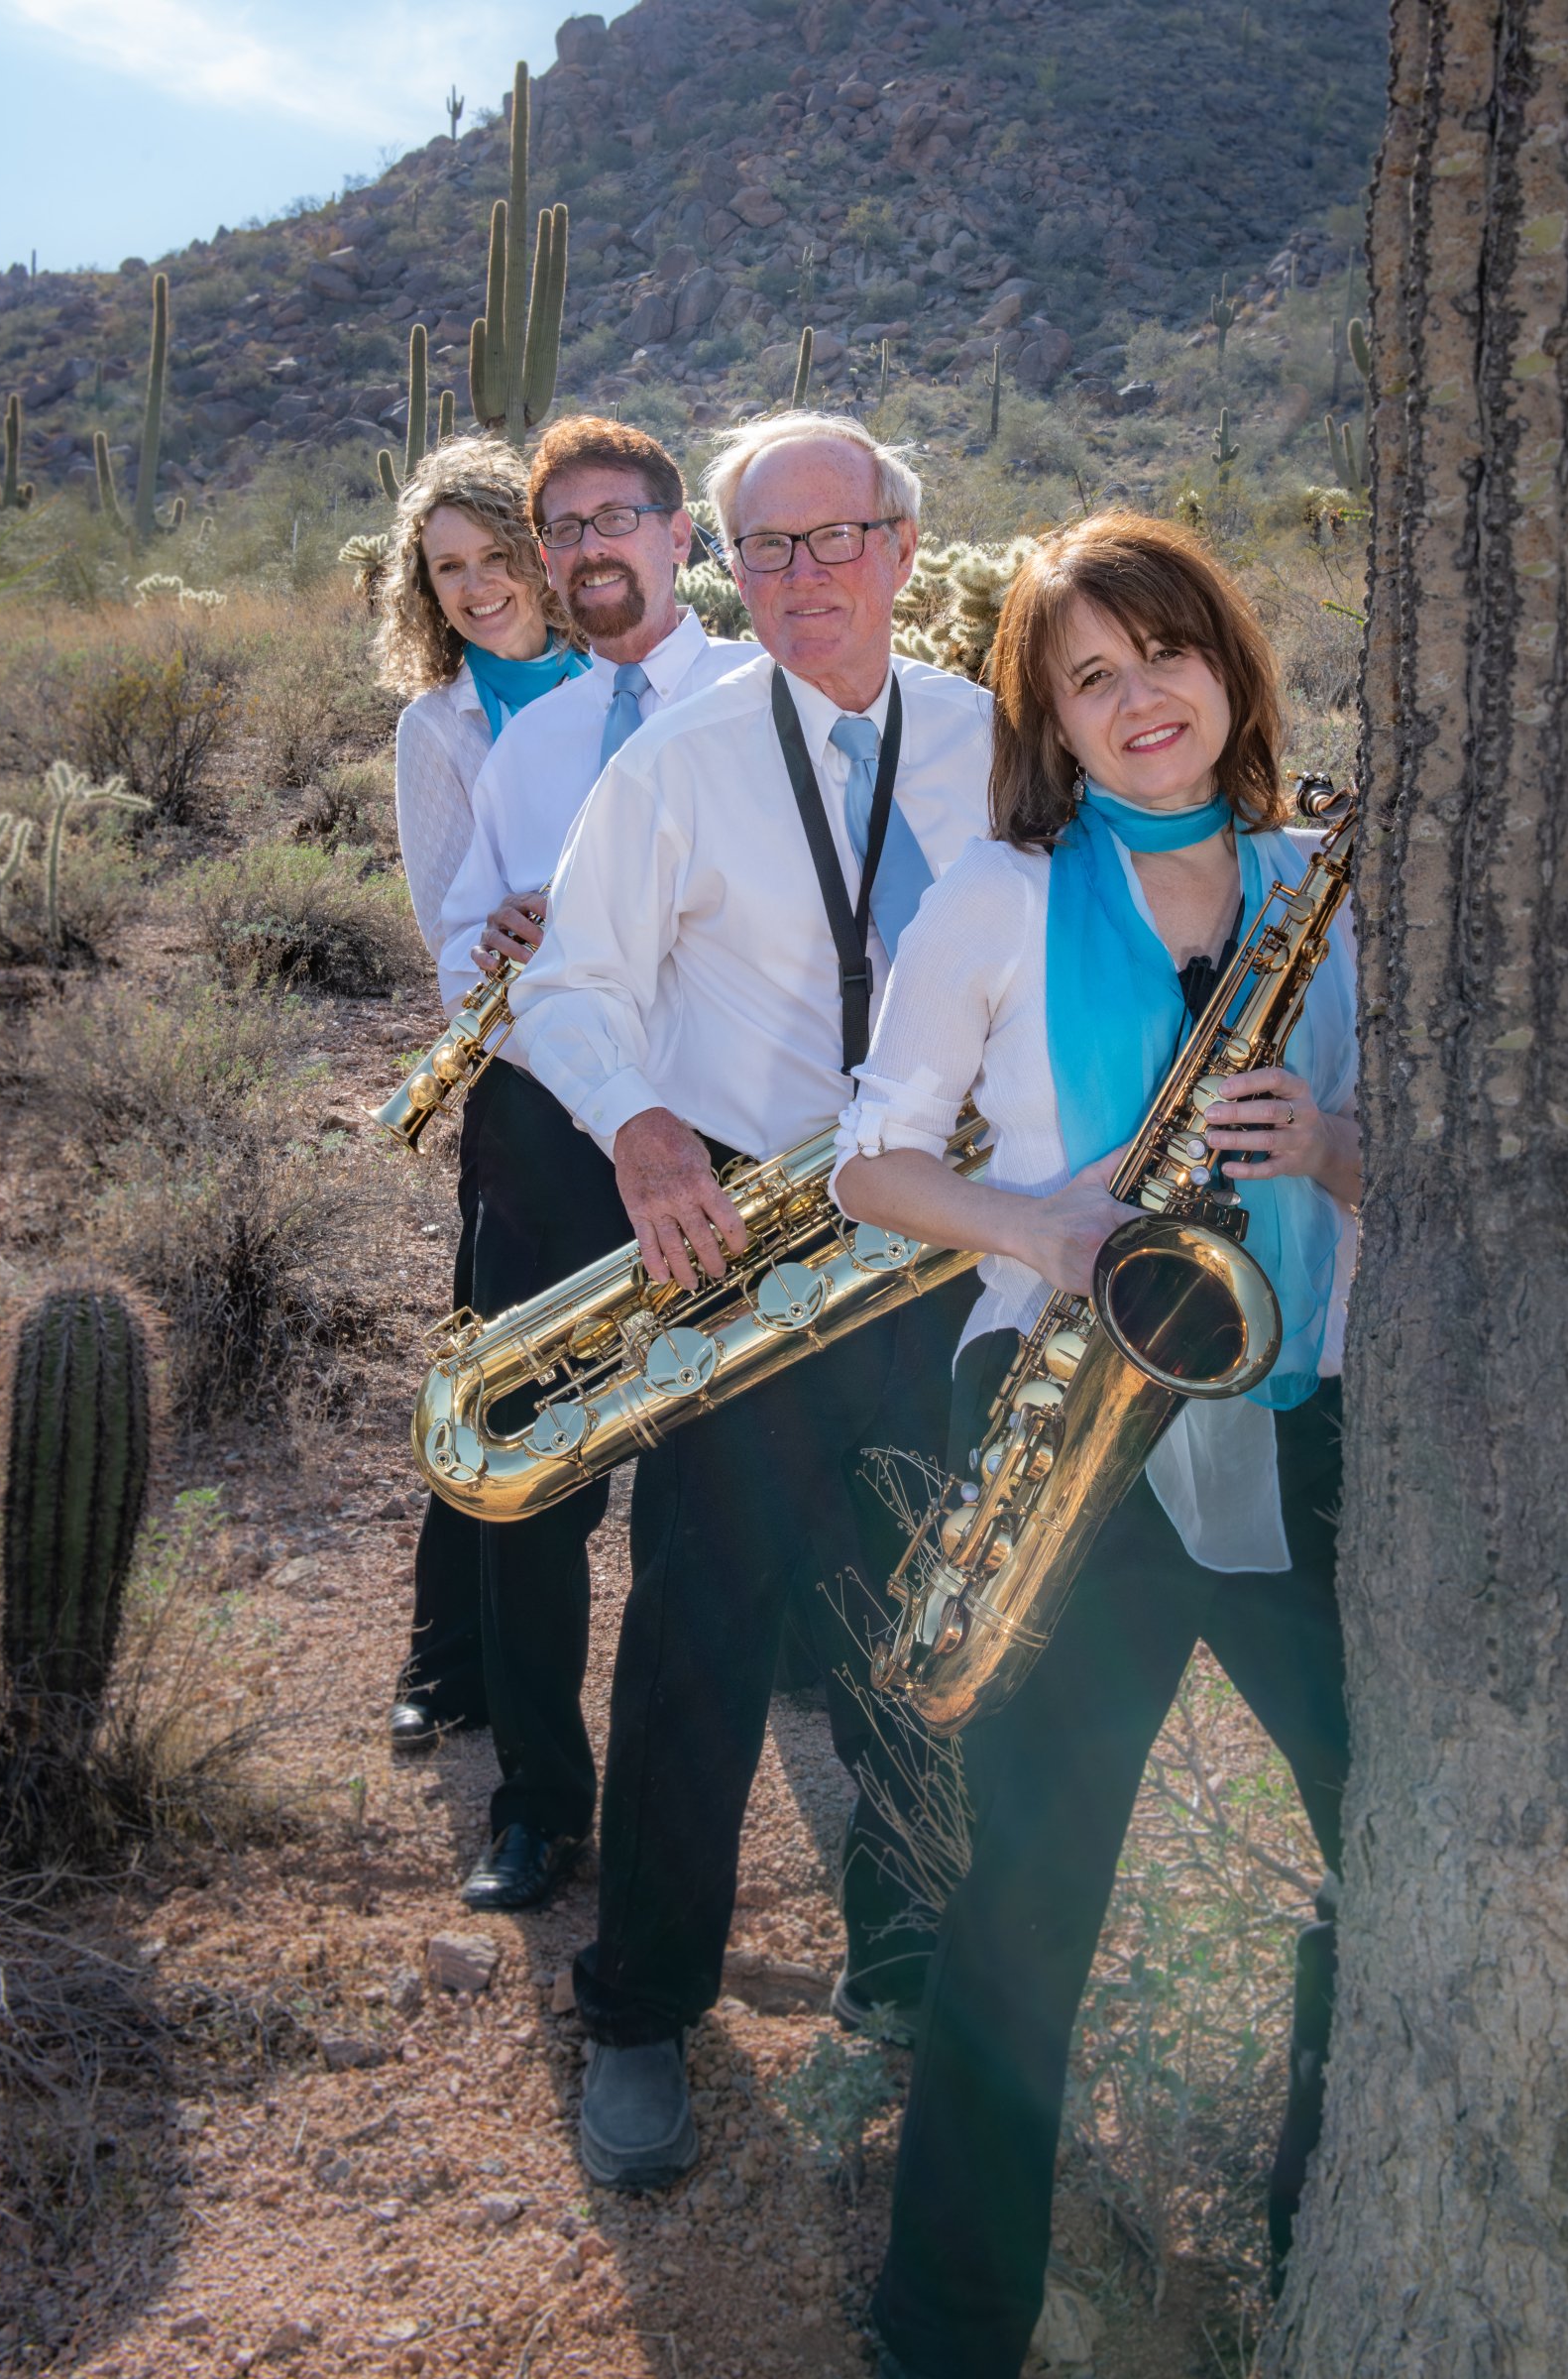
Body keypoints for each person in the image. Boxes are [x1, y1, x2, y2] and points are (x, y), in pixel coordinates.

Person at [830, 512, 1358, 2379]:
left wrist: (1342, 1156)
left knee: (1387, 1857)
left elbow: (1415, 1178)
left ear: (1230, 662)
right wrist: (1040, 1226)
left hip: (1307, 1432)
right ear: (1049, 716)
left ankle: (1331, 2247)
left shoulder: (1329, 886)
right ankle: (945, 2334)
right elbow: (870, 1162)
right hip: (1071, 1426)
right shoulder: (992, 894)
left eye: (1170, 654)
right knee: (1037, 1898)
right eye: (1094, 675)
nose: (1144, 700)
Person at [506, 413, 993, 2189]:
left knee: (931, 1625)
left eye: (834, 539)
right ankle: (640, 2012)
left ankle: (907, 1950)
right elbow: (571, 985)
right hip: (760, 1264)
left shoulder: (998, 741)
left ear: (902, 548)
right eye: (764, 549)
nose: (803, 578)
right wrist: (638, 1133)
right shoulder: (679, 762)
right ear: (731, 567)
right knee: (700, 1642)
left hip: (952, 1255)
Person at [432, 416, 752, 1913]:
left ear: (679, 537)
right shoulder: (535, 742)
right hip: (548, 1141)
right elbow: (455, 936)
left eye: (614, 518)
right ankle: (542, 1801)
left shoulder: (768, 704)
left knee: (712, 1494)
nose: (585, 550)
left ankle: (683, 1844)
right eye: (561, 529)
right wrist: (482, 942)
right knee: (529, 1485)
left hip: (719, 1150)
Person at [380, 435, 589, 1760]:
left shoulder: (634, 676)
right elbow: (446, 939)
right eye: (445, 569)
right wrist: (518, 966)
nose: (475, 587)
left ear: (542, 549)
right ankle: (448, 1660)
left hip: (684, 1083)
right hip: (523, 1089)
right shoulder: (439, 724)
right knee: (497, 1374)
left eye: (495, 555)